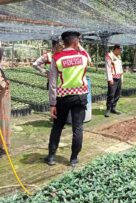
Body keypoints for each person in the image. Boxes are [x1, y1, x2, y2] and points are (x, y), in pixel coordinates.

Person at [45, 31, 90, 166]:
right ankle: (73, 159)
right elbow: (89, 58)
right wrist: (79, 46)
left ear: (63, 42)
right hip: (80, 96)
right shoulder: (83, 56)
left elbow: (52, 82)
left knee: (57, 126)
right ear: (76, 42)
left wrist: (52, 104)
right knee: (77, 128)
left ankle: (52, 156)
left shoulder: (57, 57)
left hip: (63, 97)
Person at [104, 45, 123, 117]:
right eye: (120, 50)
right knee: (111, 94)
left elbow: (120, 68)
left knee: (117, 94)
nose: (121, 52)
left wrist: (122, 78)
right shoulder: (109, 56)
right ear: (116, 49)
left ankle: (113, 108)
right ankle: (108, 109)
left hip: (119, 77)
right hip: (113, 78)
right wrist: (110, 79)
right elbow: (108, 68)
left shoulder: (118, 57)